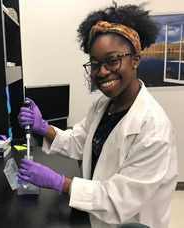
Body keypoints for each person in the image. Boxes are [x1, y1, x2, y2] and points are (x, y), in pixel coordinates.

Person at [17, 4, 178, 228]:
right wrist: (44, 127)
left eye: (112, 60)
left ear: (135, 59)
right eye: (95, 64)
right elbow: (80, 141)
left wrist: (59, 182)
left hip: (129, 222)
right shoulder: (104, 105)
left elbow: (117, 199)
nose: (101, 72)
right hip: (97, 215)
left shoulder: (153, 129)